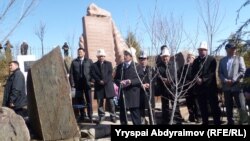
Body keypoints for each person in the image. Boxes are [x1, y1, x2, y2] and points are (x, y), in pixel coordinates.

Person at [192, 41, 221, 125]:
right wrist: (197, 78)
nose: (201, 51)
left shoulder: (211, 59)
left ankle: (217, 122)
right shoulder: (196, 61)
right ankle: (205, 122)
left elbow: (212, 73)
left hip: (210, 87)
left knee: (214, 106)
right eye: (200, 50)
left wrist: (203, 80)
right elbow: (193, 72)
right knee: (203, 107)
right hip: (200, 88)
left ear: (206, 50)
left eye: (203, 50)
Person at [114, 47, 143, 125]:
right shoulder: (120, 67)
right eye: (124, 54)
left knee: (135, 115)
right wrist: (120, 82)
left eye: (127, 55)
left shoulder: (137, 66)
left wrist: (131, 81)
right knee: (123, 115)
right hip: (123, 94)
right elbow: (116, 79)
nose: (125, 56)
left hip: (133, 94)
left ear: (131, 56)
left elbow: (140, 79)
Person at [219, 43, 246, 125]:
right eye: (232, 48)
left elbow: (242, 71)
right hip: (226, 87)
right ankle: (230, 122)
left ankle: (244, 122)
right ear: (227, 49)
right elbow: (220, 73)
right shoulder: (222, 60)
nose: (234, 50)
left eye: (235, 48)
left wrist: (233, 80)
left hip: (237, 86)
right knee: (228, 106)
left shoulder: (239, 58)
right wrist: (225, 80)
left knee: (241, 106)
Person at [157, 48, 183, 124]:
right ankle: (165, 120)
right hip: (164, 88)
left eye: (166, 56)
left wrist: (170, 80)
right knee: (165, 105)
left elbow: (176, 75)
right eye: (163, 56)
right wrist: (163, 79)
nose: (165, 58)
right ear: (161, 57)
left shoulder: (174, 64)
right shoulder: (159, 66)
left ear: (169, 56)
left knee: (175, 105)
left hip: (173, 88)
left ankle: (177, 120)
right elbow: (158, 76)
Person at [90, 49, 116, 123]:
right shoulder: (94, 65)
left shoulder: (109, 64)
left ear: (104, 56)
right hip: (99, 86)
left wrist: (104, 81)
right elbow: (93, 74)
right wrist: (99, 81)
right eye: (100, 56)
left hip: (108, 85)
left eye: (103, 56)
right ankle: (101, 116)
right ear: (97, 57)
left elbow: (110, 73)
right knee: (100, 102)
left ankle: (113, 116)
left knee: (111, 102)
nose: (101, 57)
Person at [69, 48, 93, 122]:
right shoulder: (74, 62)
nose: (79, 53)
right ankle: (82, 115)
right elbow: (71, 73)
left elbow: (93, 71)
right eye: (78, 52)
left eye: (81, 52)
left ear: (84, 53)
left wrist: (92, 81)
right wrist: (72, 83)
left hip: (87, 83)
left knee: (89, 100)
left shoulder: (89, 61)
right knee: (80, 100)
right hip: (78, 84)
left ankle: (90, 115)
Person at [178, 52, 200, 123]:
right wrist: (183, 85)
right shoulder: (183, 68)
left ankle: (198, 117)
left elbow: (197, 77)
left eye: (190, 58)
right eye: (187, 58)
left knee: (196, 103)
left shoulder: (196, 67)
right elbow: (180, 77)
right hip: (187, 89)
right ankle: (191, 116)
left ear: (193, 59)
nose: (188, 59)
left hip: (195, 88)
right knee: (189, 103)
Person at [138, 51, 156, 125]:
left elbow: (155, 79)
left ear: (147, 60)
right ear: (139, 60)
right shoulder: (137, 69)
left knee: (151, 110)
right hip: (140, 93)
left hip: (150, 92)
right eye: (141, 59)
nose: (143, 61)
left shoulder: (151, 69)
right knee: (141, 110)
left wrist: (149, 84)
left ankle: (153, 123)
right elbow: (135, 80)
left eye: (144, 59)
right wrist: (141, 85)